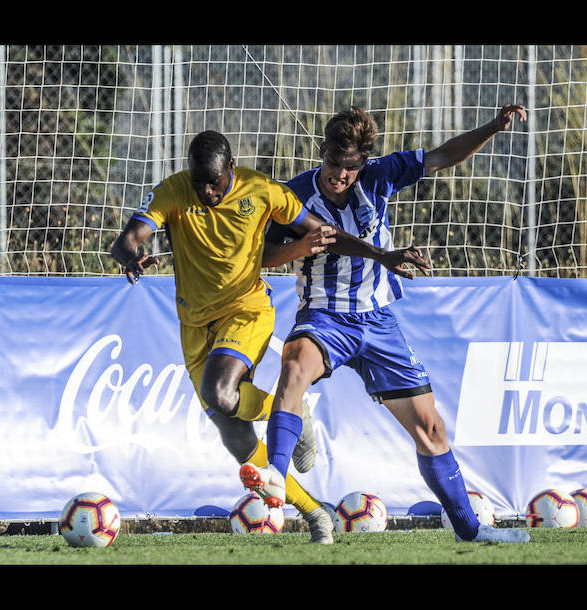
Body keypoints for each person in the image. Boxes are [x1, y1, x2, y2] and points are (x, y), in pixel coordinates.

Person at [110, 130, 424, 544]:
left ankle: (285, 411)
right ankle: (315, 513)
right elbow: (126, 240)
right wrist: (131, 255)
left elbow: (325, 232)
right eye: (199, 181)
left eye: (215, 183)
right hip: (194, 323)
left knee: (221, 394)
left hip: (246, 310)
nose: (206, 191)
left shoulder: (262, 190)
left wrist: (382, 255)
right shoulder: (173, 191)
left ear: (232, 171)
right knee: (237, 439)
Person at [240, 105, 531, 543]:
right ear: (323, 152)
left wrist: (492, 127)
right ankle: (276, 476)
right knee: (295, 364)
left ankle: (471, 531)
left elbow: (442, 156)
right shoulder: (293, 196)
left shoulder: (381, 175)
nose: (340, 175)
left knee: (431, 430)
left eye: (350, 168)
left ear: (363, 162)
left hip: (378, 322)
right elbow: (261, 257)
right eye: (334, 164)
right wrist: (301, 246)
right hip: (324, 315)